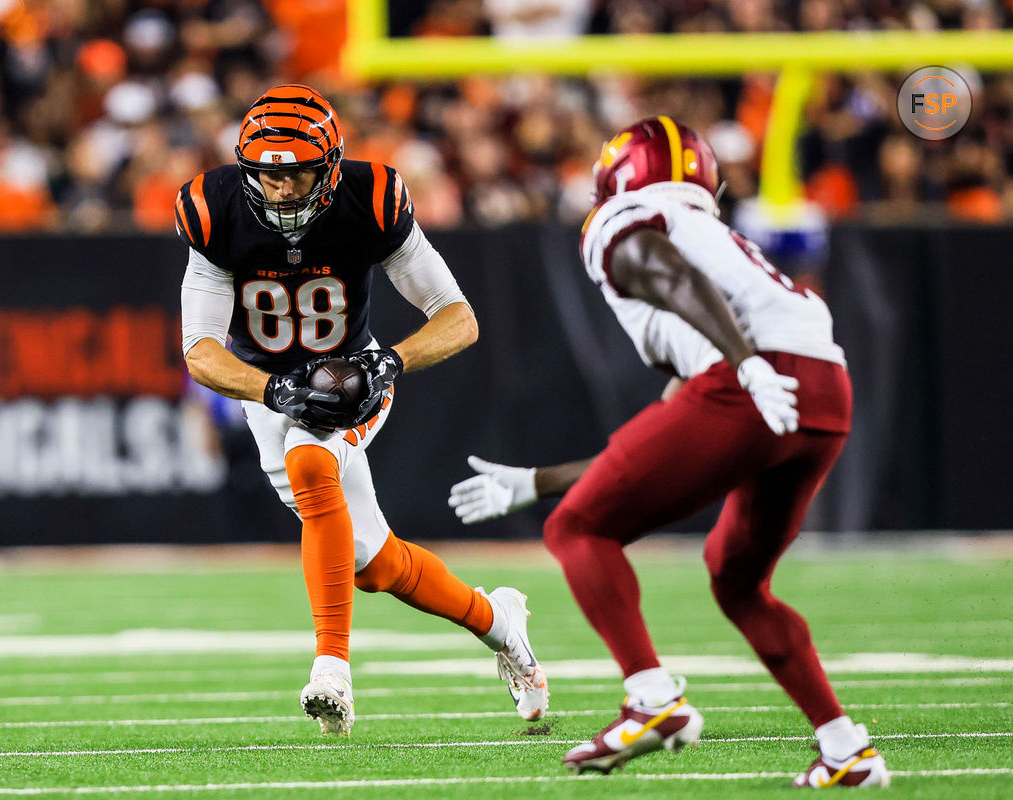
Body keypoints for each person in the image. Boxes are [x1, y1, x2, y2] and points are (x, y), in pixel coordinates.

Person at [447, 117, 890, 787]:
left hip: (757, 377)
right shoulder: (724, 244)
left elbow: (664, 268)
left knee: (577, 530)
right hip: (827, 393)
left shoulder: (627, 221)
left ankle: (652, 700)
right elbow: (672, 430)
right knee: (736, 578)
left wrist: (746, 365)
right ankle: (845, 749)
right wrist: (539, 480)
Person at [176, 83, 548, 736]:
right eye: (268, 176)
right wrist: (270, 392)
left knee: (310, 460)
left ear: (331, 166)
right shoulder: (214, 210)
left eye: (297, 175)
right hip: (264, 388)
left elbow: (458, 319)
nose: (283, 190)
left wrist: (387, 365)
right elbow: (200, 350)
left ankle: (332, 672)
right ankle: (500, 624)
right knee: (375, 565)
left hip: (351, 373)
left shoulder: (369, 201)